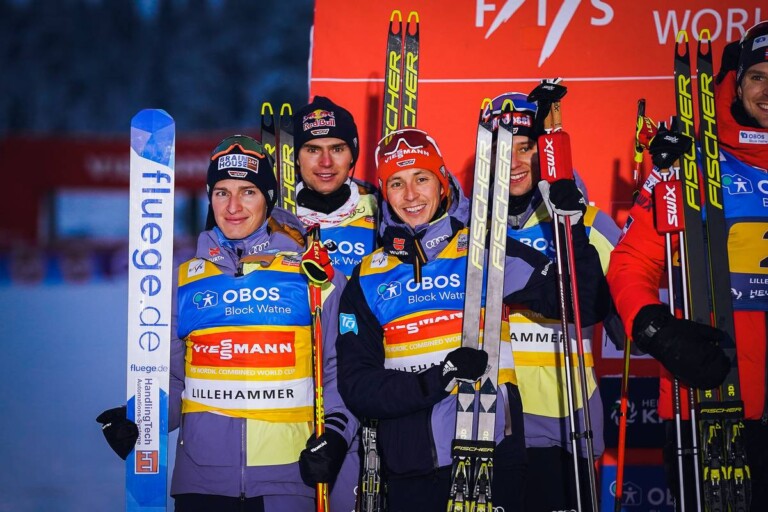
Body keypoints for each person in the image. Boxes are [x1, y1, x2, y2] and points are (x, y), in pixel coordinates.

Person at [336, 127, 610, 510]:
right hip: (409, 467)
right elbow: (357, 385)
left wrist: (573, 230)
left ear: (443, 181)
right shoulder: (367, 275)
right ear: (384, 192)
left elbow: (582, 302)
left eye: (421, 178)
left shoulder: (484, 251)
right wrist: (437, 379)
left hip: (492, 456)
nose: (411, 194)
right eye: (396, 183)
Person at [97, 135, 358, 511]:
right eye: (221, 192)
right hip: (201, 484)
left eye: (247, 192)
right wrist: (139, 419)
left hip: (289, 481)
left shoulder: (313, 276)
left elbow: (338, 372)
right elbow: (174, 379)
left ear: (267, 198)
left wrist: (334, 436)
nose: (233, 206)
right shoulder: (183, 281)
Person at [607, 22, 768, 511]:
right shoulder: (693, 164)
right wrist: (656, 330)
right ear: (737, 83)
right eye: (759, 76)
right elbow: (631, 262)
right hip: (713, 397)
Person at [491, 92, 623, 511]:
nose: (513, 163)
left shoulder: (588, 222)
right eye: (502, 149)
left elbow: (624, 322)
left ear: (544, 151)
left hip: (569, 421)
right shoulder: (469, 230)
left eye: (526, 148)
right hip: (494, 426)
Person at [293, 95, 379, 277]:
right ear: (296, 158)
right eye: (313, 150)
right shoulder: (273, 215)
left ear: (352, 156)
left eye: (337, 149)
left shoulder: (381, 210)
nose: (326, 162)